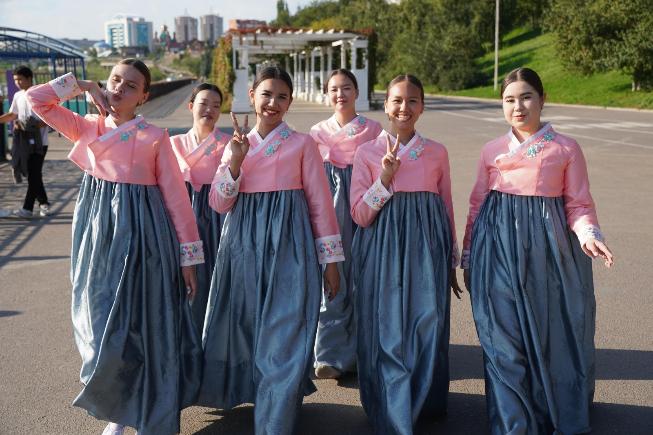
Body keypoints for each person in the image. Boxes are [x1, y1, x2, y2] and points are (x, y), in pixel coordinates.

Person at [26, 58, 204, 435]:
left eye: (131, 85)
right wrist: (82, 85)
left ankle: (127, 412)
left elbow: (175, 196)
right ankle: (116, 402)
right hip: (97, 237)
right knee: (96, 320)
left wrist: (188, 257)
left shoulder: (154, 137)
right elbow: (35, 99)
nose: (120, 88)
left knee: (137, 324)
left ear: (144, 97)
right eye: (115, 80)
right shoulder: (88, 126)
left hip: (144, 237)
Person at [462, 67, 615, 434]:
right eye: (509, 100)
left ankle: (547, 409)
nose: (518, 107)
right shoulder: (491, 150)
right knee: (502, 336)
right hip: (496, 251)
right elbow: (477, 204)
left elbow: (578, 203)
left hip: (548, 255)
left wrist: (588, 235)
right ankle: (511, 422)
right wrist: (468, 255)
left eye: (526, 97)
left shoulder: (565, 148)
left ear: (543, 99)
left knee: (551, 335)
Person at [198, 66, 343, 434]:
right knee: (247, 328)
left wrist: (330, 261)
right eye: (266, 94)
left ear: (290, 102)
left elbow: (320, 204)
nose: (273, 102)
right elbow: (218, 203)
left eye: (281, 96)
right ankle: (263, 398)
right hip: (242, 247)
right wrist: (235, 160)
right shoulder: (235, 145)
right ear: (252, 97)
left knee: (286, 331)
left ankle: (274, 422)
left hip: (290, 247)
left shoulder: (303, 144)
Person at [350, 74, 461, 435]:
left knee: (427, 320)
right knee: (387, 327)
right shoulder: (366, 152)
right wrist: (384, 179)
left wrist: (451, 259)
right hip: (381, 251)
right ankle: (391, 405)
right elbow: (359, 215)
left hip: (427, 250)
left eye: (412, 100)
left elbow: (445, 206)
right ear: (385, 105)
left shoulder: (437, 152)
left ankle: (424, 398)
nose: (404, 107)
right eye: (397, 100)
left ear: (422, 106)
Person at [309, 68, 382, 379]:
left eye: (347, 88)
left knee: (363, 275)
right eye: (334, 89)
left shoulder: (374, 129)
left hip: (363, 204)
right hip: (328, 208)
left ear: (357, 91)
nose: (341, 94)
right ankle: (329, 354)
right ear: (327, 94)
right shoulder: (316, 132)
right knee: (331, 272)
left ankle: (364, 351)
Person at [170, 83, 229, 333]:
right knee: (181, 278)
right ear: (191, 106)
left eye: (216, 106)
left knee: (215, 276)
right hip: (180, 214)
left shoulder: (229, 143)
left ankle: (213, 336)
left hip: (216, 216)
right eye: (204, 103)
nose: (210, 110)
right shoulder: (173, 143)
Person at [0, 66, 52, 217]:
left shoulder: (40, 94)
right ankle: (44, 203)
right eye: (16, 80)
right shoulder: (18, 95)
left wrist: (32, 126)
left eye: (20, 79)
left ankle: (27, 209)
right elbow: (13, 114)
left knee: (34, 174)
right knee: (32, 175)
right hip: (24, 143)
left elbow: (49, 118)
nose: (18, 82)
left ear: (29, 78)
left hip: (40, 143)